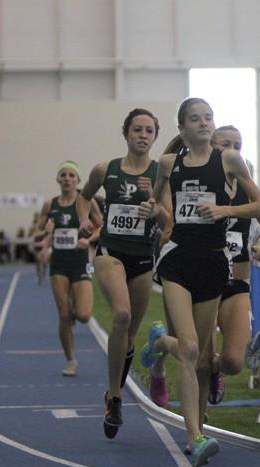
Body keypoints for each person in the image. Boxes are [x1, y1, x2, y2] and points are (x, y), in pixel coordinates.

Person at [140, 97, 260, 467]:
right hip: (178, 259)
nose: (204, 123)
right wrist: (156, 213)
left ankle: (160, 342)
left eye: (208, 117)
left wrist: (226, 210)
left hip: (214, 264)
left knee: (204, 358)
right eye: (196, 119)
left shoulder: (228, 160)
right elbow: (160, 201)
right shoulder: (168, 163)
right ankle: (194, 436)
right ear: (182, 128)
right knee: (191, 349)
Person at [77, 108, 167, 439]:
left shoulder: (161, 174)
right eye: (137, 130)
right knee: (122, 315)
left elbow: (168, 222)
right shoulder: (106, 169)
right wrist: (85, 218)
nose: (143, 136)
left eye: (149, 131)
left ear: (155, 137)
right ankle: (114, 396)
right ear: (126, 133)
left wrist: (153, 205)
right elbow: (84, 196)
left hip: (144, 258)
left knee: (129, 336)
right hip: (110, 252)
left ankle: (113, 393)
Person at [203, 125, 260, 406]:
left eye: (238, 145)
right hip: (206, 280)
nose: (232, 150)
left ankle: (215, 370)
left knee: (234, 361)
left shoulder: (248, 189)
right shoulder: (202, 183)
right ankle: (198, 417)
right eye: (226, 144)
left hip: (237, 282)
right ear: (212, 146)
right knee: (201, 354)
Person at [36, 161, 102, 377]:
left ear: (78, 180)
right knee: (64, 315)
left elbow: (102, 227)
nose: (67, 178)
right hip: (59, 264)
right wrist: (45, 234)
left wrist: (89, 240)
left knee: (83, 315)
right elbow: (38, 234)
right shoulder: (50, 205)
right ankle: (71, 360)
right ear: (58, 179)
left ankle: (76, 306)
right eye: (63, 175)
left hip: (80, 261)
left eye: (71, 175)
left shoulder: (87, 203)